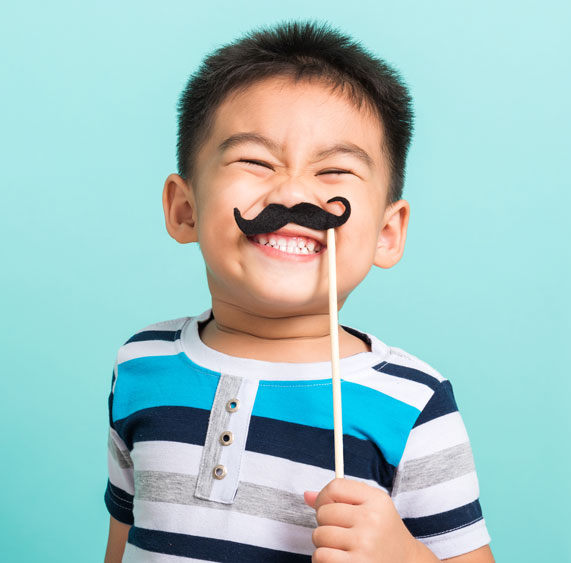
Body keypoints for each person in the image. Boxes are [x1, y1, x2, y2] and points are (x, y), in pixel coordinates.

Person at [104, 20, 494, 563]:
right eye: (255, 162)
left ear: (387, 233)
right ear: (184, 208)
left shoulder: (413, 404)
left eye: (334, 171)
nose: (292, 192)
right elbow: (122, 543)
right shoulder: (142, 364)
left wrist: (403, 558)